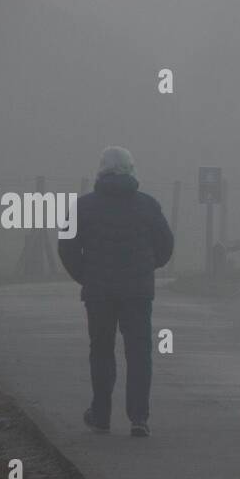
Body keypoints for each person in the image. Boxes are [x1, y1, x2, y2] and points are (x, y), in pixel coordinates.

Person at [58, 147, 174, 438]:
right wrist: (147, 267)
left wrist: (85, 276)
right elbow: (165, 246)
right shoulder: (148, 205)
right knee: (139, 353)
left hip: (98, 291)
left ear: (100, 171)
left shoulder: (83, 207)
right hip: (138, 291)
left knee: (101, 351)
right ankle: (138, 417)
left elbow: (67, 247)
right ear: (132, 171)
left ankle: (100, 415)